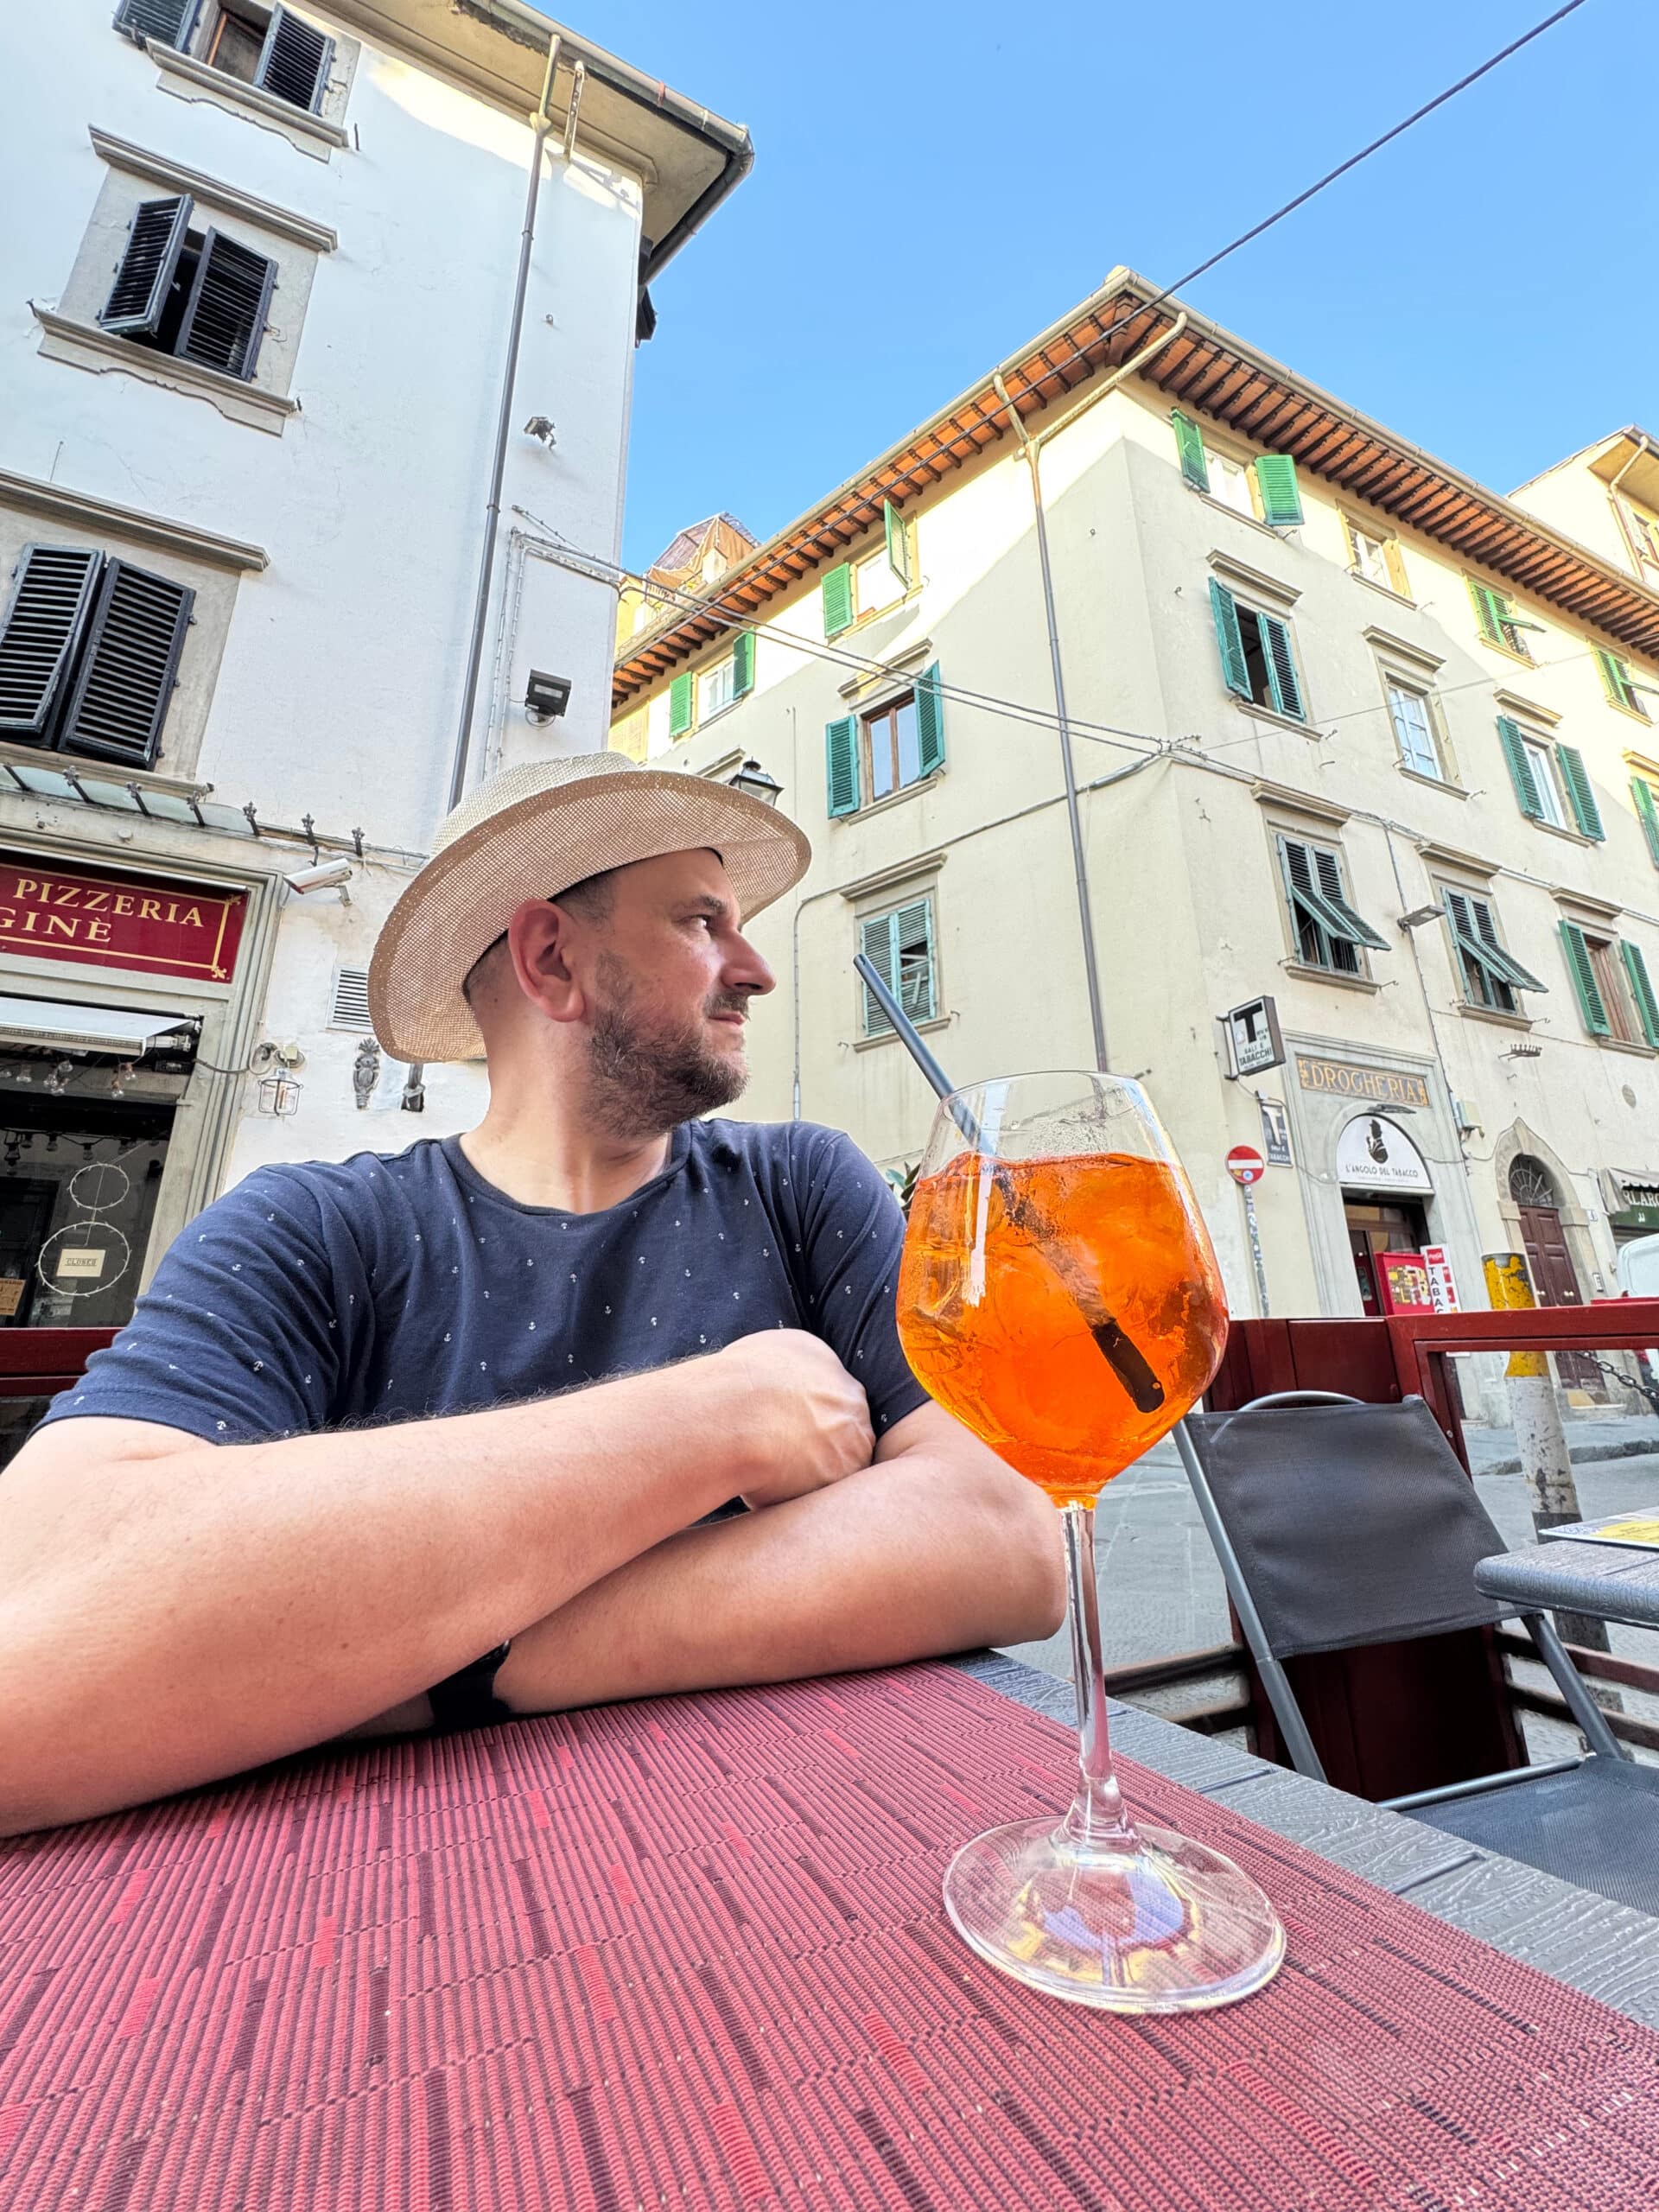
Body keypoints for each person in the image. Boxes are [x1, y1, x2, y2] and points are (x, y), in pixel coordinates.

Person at [0, 752, 1064, 1834]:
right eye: (702, 922)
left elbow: (1007, 1534)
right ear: (550, 958)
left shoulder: (802, 1185)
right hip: (407, 1912)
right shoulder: (310, 1231)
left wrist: (452, 1662)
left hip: (826, 1839)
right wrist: (725, 1416)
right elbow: (34, 1631)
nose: (755, 968)